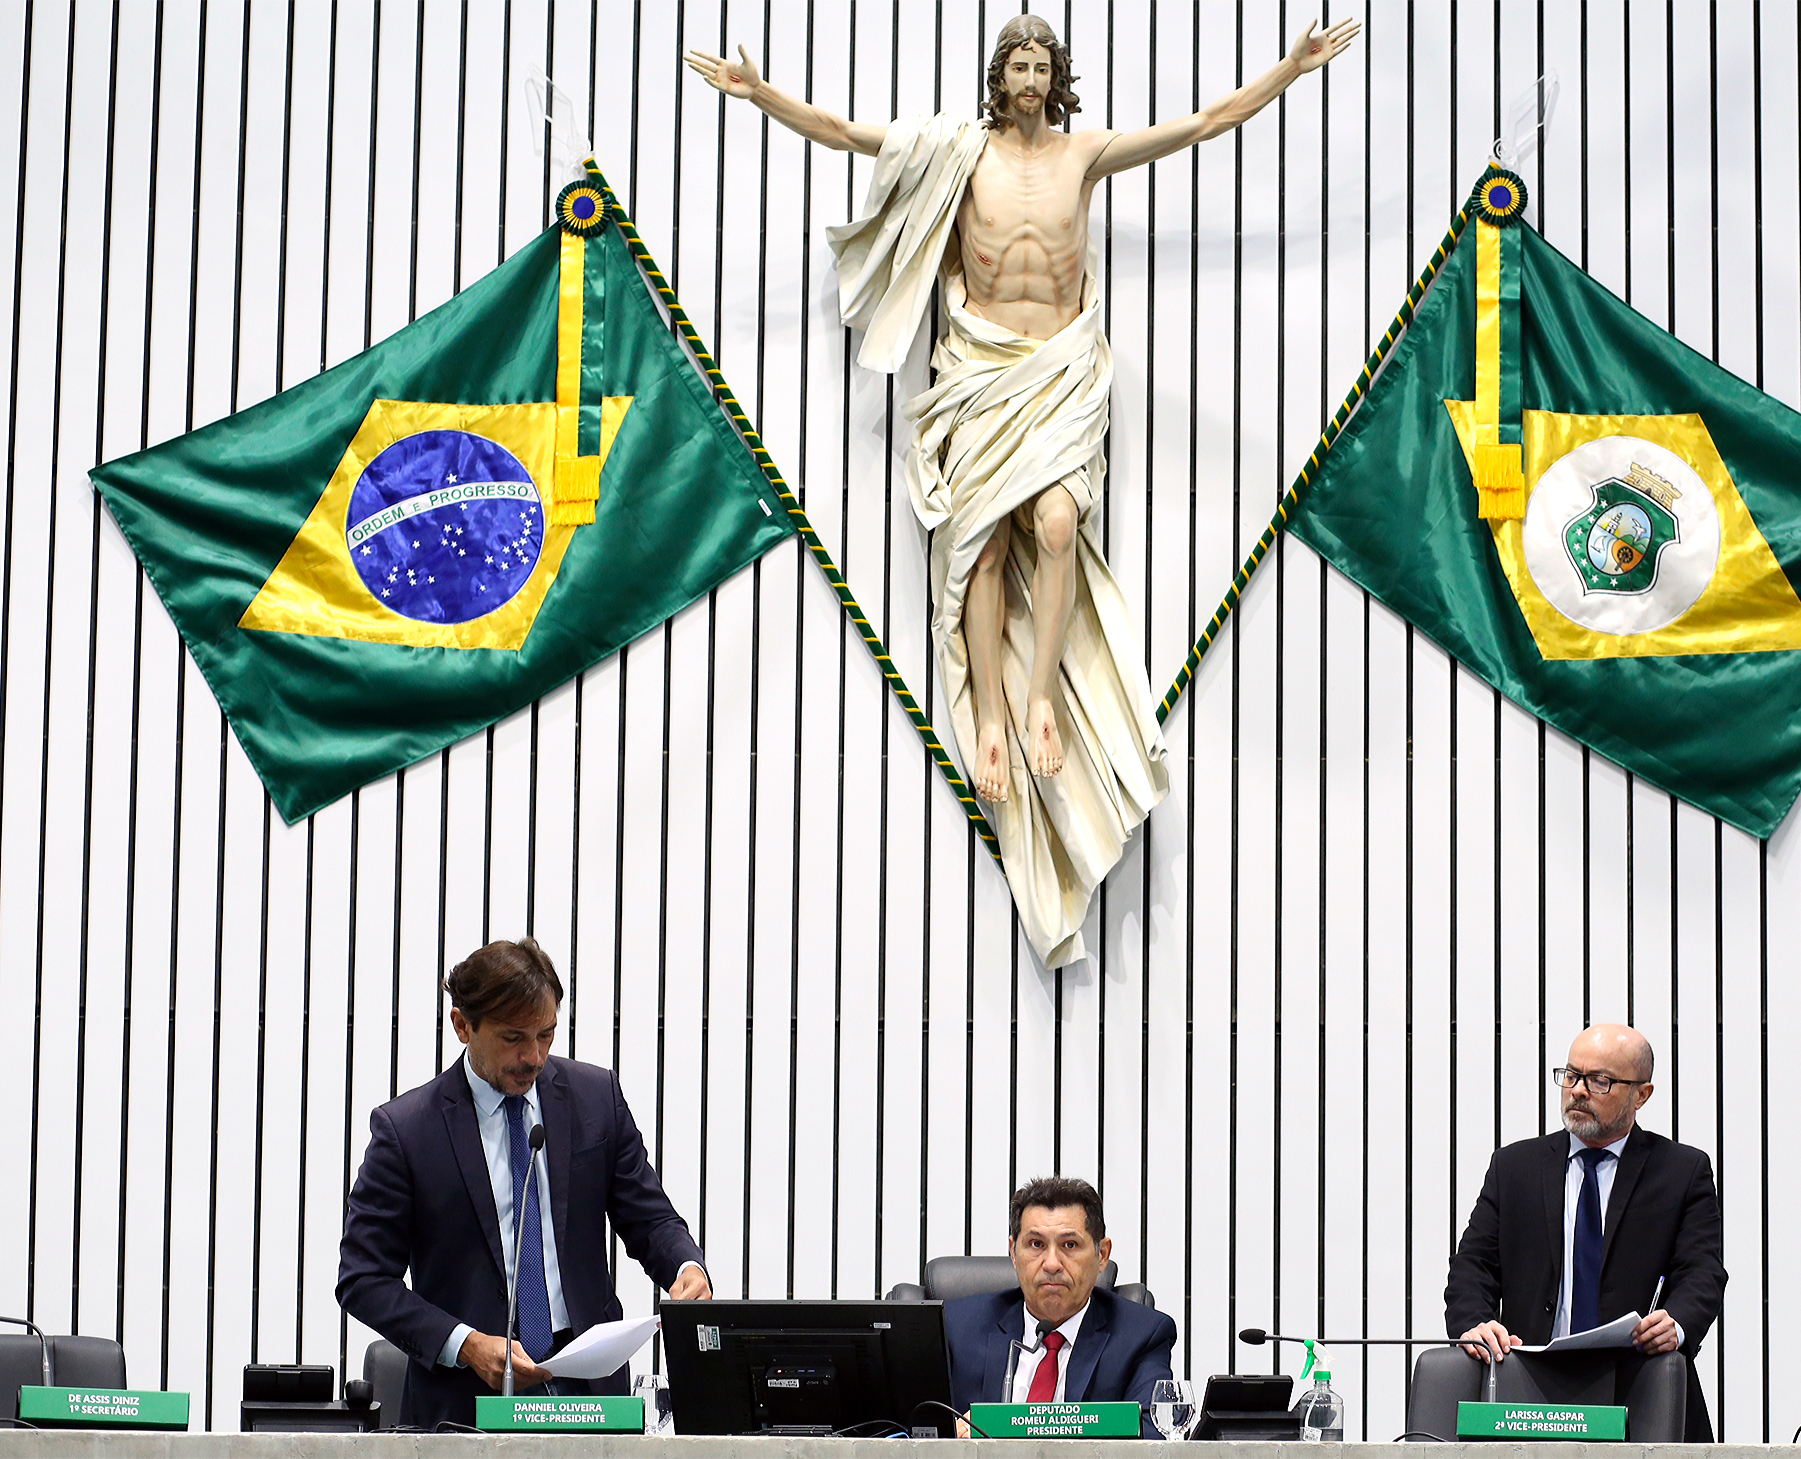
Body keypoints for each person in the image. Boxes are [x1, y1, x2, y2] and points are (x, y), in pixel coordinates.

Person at [686, 14, 1359, 969]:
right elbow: (845, 134)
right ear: (996, 79)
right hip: (980, 366)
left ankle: (1039, 693)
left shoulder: (1086, 153)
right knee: (984, 546)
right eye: (1017, 63)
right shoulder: (958, 153)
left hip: (1060, 368)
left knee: (1057, 522)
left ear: (1059, 77)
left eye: (1044, 62)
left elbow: (1207, 123)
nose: (1031, 75)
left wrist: (1288, 70)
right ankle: (994, 714)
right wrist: (761, 97)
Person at [335, 939, 710, 1429]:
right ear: (463, 1026)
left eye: (547, 1035)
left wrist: (686, 1266)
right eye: (514, 1037)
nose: (533, 1057)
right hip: (464, 1405)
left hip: (589, 1393)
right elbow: (363, 1279)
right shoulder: (407, 1131)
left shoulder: (595, 1100)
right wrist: (465, 1343)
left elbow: (650, 1217)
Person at [1444, 1023, 1727, 1441]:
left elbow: (1702, 1272)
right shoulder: (1515, 1167)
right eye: (1572, 1076)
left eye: (1600, 1081)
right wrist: (1475, 1322)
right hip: (1527, 1385)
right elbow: (1473, 1265)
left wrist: (1678, 1322)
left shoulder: (1681, 1171)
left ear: (1641, 1095)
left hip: (1641, 1386)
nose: (1577, 1090)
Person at [943, 1176, 1175, 1430]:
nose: (1052, 1263)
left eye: (1069, 1245)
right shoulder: (955, 1328)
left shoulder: (1141, 1336)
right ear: (1013, 1252)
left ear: (1102, 1255)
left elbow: (1154, 1438)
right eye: (1036, 1244)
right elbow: (905, 1429)